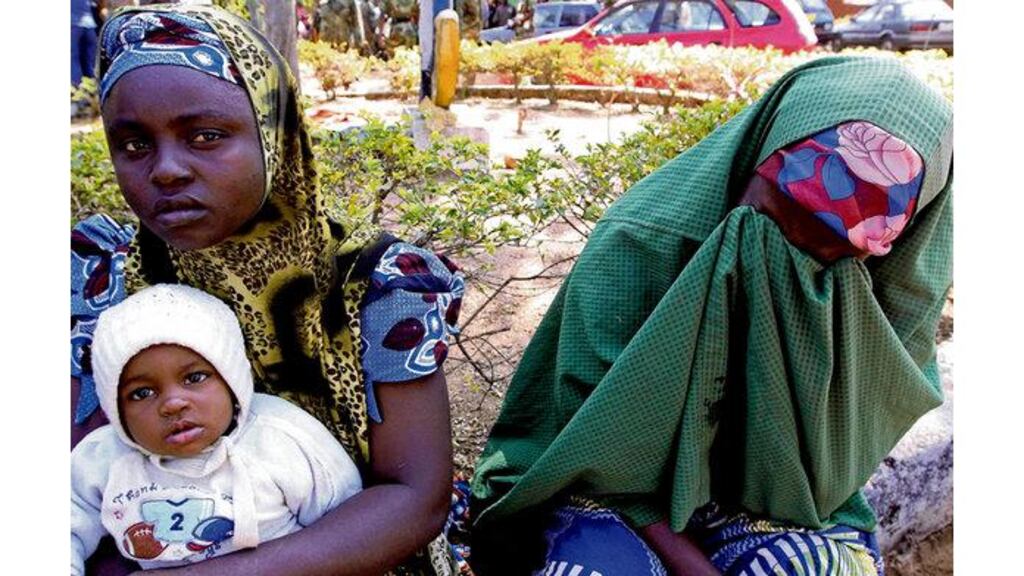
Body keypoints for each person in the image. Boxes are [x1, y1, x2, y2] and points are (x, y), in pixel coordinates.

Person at [470, 56, 953, 576]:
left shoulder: (892, 306)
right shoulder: (642, 245)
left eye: (828, 250)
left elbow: (825, 480)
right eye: (775, 214)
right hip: (609, 493)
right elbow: (590, 451)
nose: (788, 251)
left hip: (777, 505)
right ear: (758, 156)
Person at [71, 4, 465, 575]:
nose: (166, 170)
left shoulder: (379, 284)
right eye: (133, 145)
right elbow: (79, 479)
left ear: (272, 131)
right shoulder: (103, 276)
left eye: (206, 136)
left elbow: (414, 498)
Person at [72, 284, 364, 574]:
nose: (173, 404)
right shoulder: (101, 459)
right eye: (142, 393)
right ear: (115, 407)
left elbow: (347, 527)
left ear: (232, 378)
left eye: (194, 378)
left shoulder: (281, 437)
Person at [71, 0, 99, 87]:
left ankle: (76, 86)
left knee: (73, 58)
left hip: (73, 25)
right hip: (89, 26)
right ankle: (93, 86)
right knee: (90, 61)